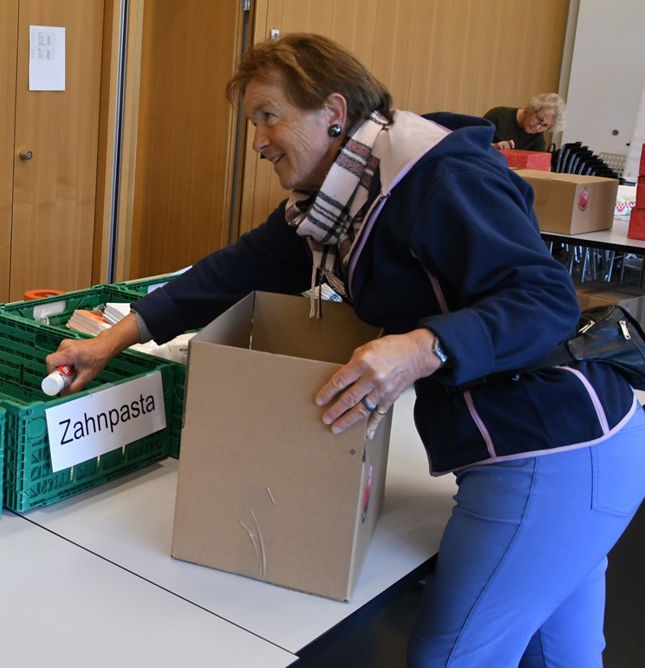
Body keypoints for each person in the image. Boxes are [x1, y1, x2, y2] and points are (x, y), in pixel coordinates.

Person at [47, 34, 645, 667]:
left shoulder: (440, 177)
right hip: (561, 449)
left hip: (552, 450)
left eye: (269, 116)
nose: (258, 141)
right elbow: (229, 274)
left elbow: (544, 300)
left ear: (334, 110)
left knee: (451, 657)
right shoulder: (334, 210)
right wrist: (109, 341)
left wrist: (422, 346)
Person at [483, 93, 564, 151]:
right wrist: (493, 147)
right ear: (532, 109)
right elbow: (473, 143)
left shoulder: (537, 136)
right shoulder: (498, 115)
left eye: (545, 126)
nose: (537, 127)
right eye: (539, 119)